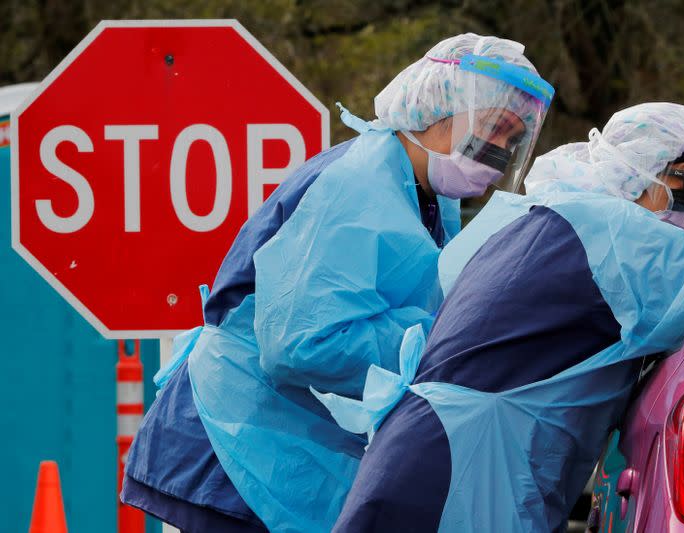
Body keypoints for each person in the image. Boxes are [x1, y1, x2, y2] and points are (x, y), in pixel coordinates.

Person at [120, 33, 553, 533]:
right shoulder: (359, 185)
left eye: (512, 140)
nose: (499, 151)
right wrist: (431, 342)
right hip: (234, 441)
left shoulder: (423, 191)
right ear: (439, 105)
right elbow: (301, 342)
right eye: (493, 128)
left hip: (271, 439)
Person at [314, 102, 684, 532]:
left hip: (438, 452)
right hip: (462, 468)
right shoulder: (617, 234)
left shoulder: (557, 213)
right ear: (638, 169)